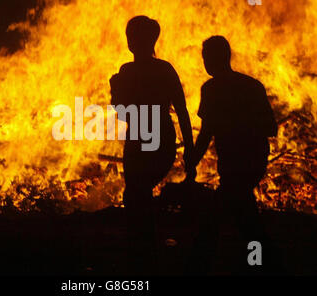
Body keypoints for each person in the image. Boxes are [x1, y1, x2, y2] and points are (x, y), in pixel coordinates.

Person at [109, 16, 195, 273]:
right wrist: (189, 149)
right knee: (137, 194)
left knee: (137, 193)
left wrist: (190, 151)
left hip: (147, 141)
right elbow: (180, 110)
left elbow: (125, 113)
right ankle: (147, 255)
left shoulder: (134, 71)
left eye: (134, 36)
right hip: (148, 139)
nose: (131, 40)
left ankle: (144, 257)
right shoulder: (161, 69)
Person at [191, 35, 278, 274]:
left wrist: (193, 161)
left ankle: (204, 264)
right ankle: (260, 262)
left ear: (216, 58)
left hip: (236, 164)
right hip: (254, 161)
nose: (204, 62)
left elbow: (206, 132)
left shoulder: (211, 89)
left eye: (206, 57)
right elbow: (271, 127)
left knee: (223, 214)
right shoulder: (252, 85)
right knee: (241, 213)